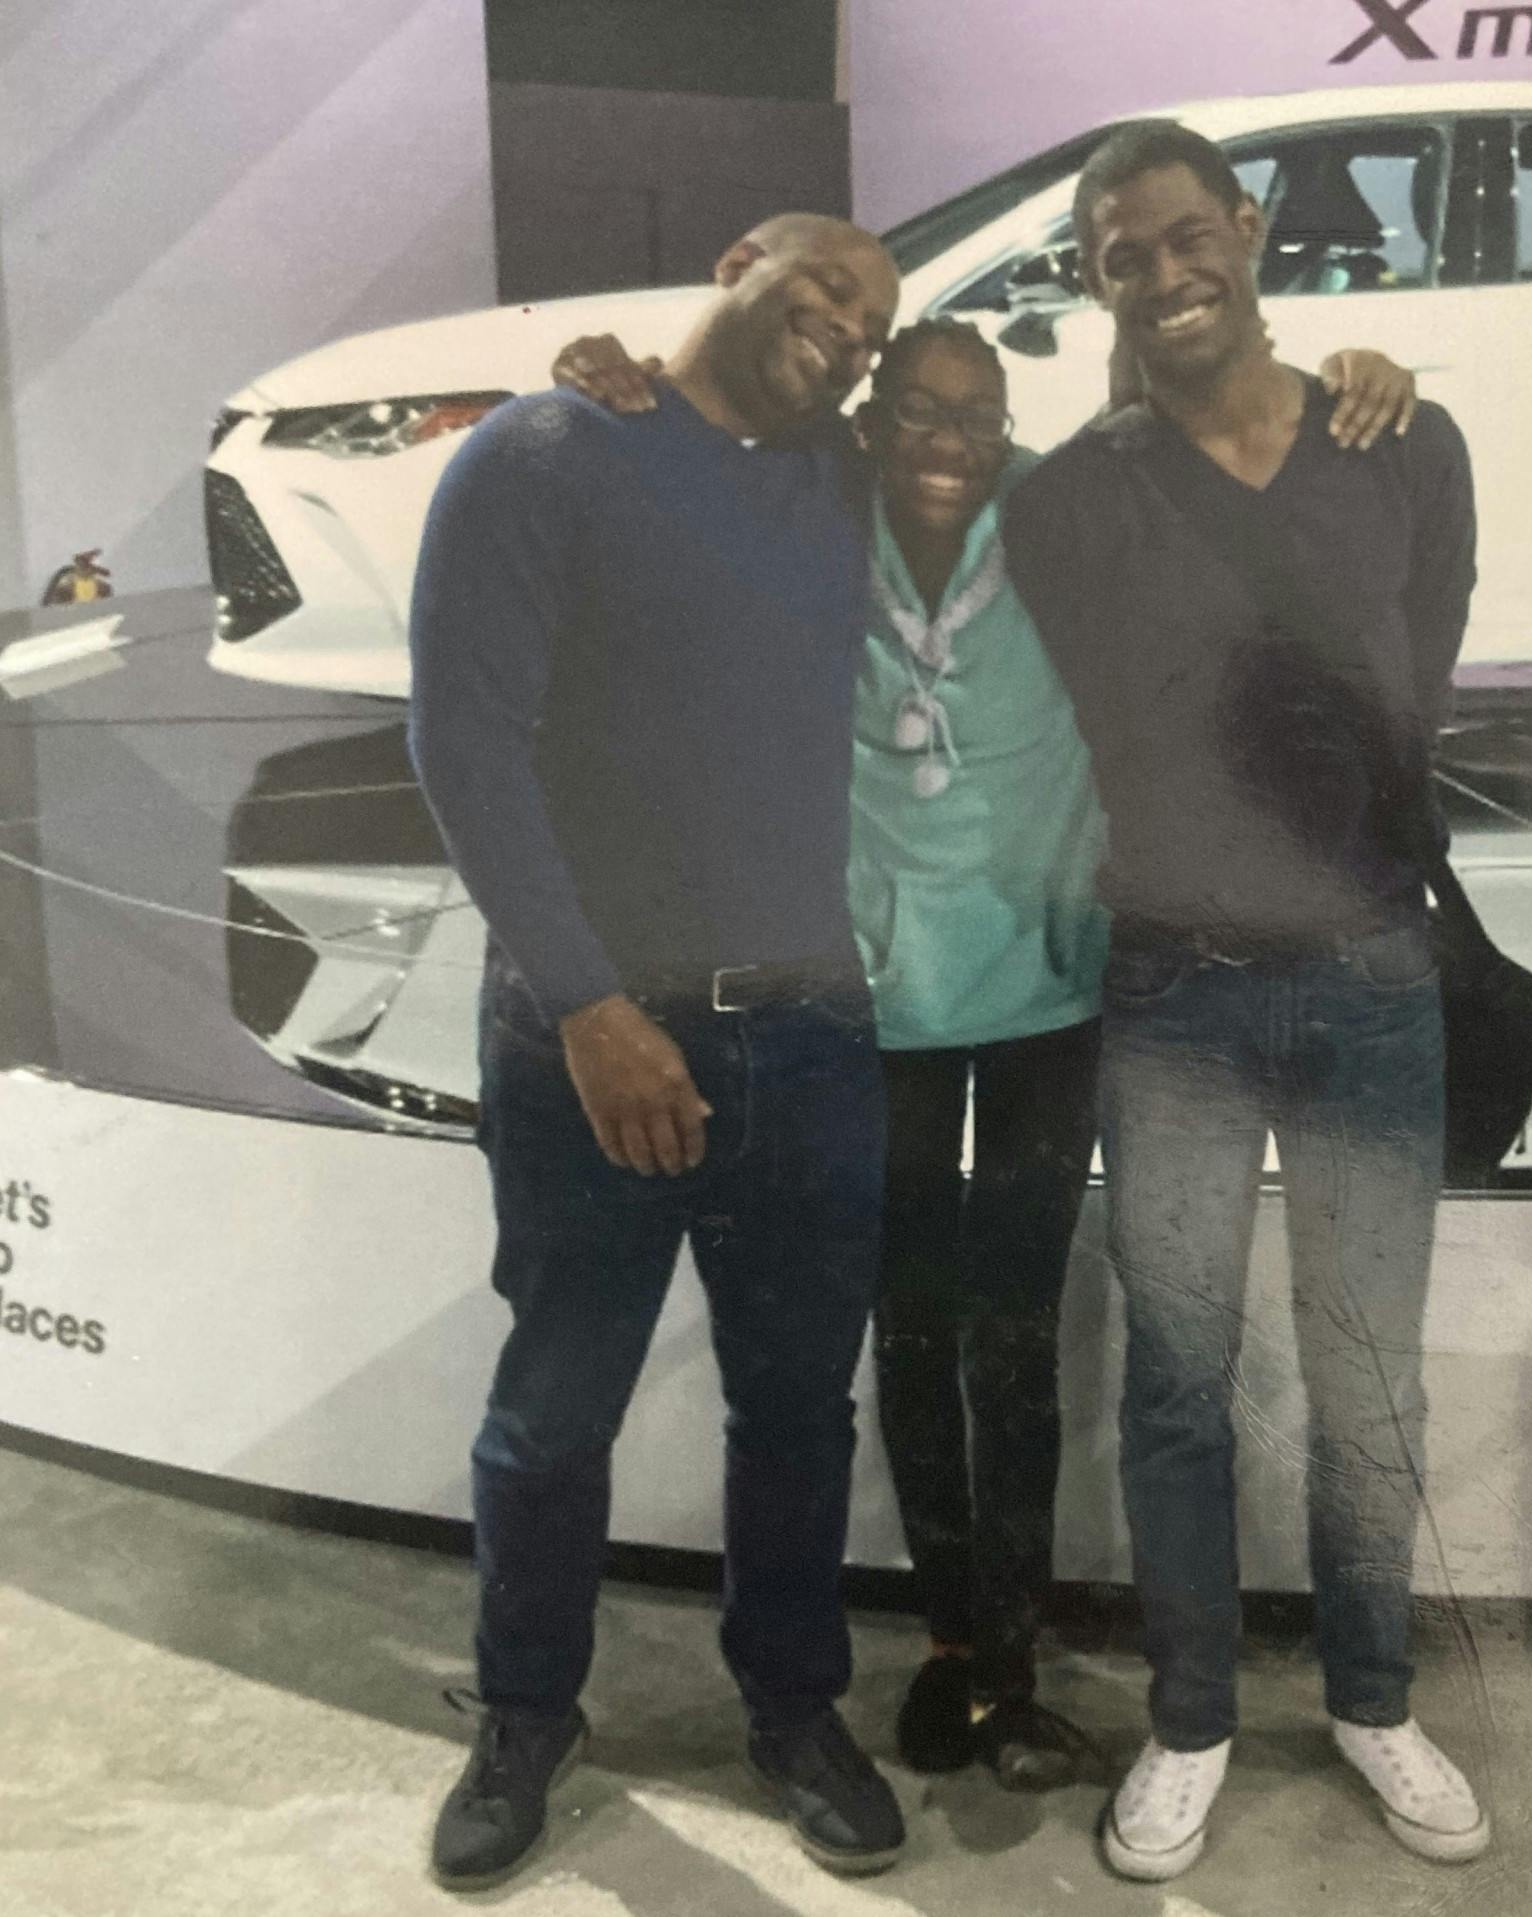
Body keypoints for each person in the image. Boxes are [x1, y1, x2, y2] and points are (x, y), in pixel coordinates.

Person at [553, 314, 1420, 1798]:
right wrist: (606, 379)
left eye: (978, 415)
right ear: (873, 419)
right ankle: (952, 1641)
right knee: (910, 1328)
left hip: (1045, 992)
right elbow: (700, 450)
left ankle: (1013, 1666)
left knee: (1012, 1340)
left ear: (1010, 424)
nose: (948, 441)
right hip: (872, 1002)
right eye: (919, 411)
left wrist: (1357, 372)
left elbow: (1195, 457)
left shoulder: (1056, 506)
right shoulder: (814, 505)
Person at [999, 120, 1486, 1881]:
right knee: (1179, 1382)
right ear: (1095, 282)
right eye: (1121, 257)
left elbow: (1423, 663)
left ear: (1250, 229)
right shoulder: (1065, 499)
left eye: (1186, 235)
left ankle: (1374, 1699)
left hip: (1371, 978)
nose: (1164, 273)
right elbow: (1074, 712)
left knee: (1370, 1383)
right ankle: (1192, 1717)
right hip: (1175, 998)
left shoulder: (1402, 440)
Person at [406, 212, 912, 1890]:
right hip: (593, 1037)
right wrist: (590, 1003)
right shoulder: (543, 453)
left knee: (798, 1410)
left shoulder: (841, 480)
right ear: (739, 256)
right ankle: (525, 1714)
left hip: (811, 1031)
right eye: (827, 286)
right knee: (554, 1411)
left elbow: (999, 464)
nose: (846, 329)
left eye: (870, 326)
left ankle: (793, 1706)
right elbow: (463, 739)